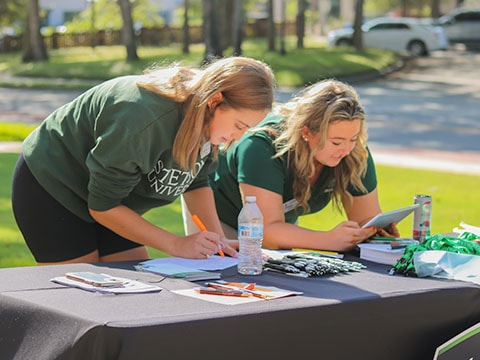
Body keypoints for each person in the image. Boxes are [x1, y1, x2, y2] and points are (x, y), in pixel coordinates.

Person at [11, 56, 275, 265]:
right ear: (215, 100)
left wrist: (219, 241)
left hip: (115, 199)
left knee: (132, 294)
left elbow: (197, 182)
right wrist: (175, 243)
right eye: (239, 125)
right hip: (54, 186)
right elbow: (102, 206)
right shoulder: (141, 119)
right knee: (83, 297)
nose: (237, 137)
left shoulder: (207, 121)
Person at [184, 79, 399, 252]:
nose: (346, 149)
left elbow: (366, 220)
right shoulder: (261, 147)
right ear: (306, 132)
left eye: (353, 139)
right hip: (218, 213)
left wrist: (374, 233)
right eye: (336, 142)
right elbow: (266, 233)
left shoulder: (353, 153)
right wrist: (329, 240)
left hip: (277, 225)